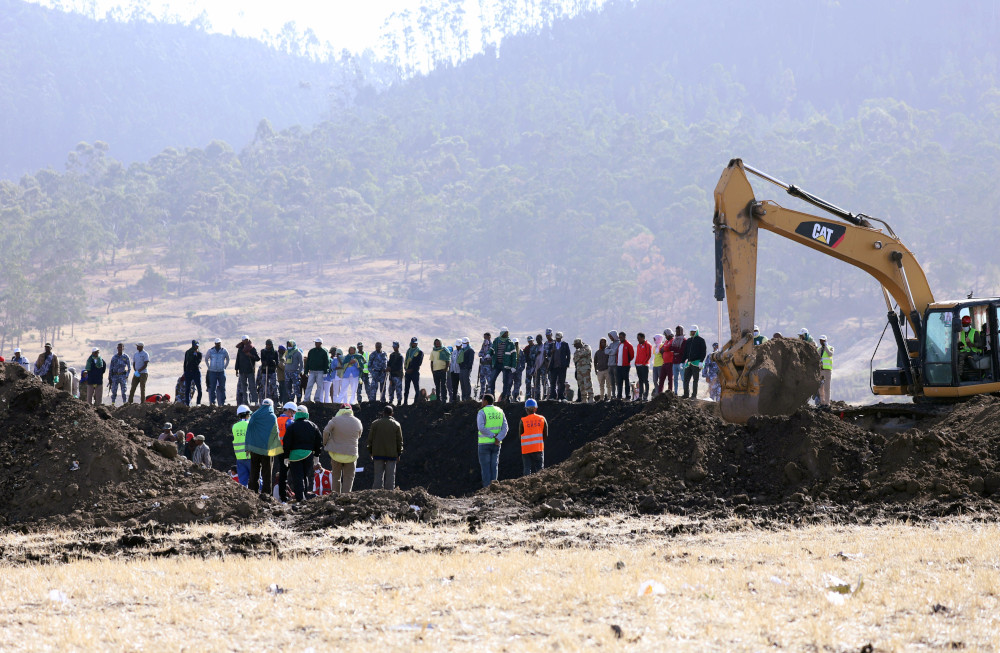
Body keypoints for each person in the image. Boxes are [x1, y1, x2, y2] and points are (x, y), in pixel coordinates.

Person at [282, 405, 323, 501]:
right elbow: (319, 441)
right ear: (306, 414)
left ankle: (300, 498)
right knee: (305, 475)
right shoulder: (313, 425)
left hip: (294, 456)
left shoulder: (292, 426)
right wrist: (317, 455)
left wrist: (286, 456)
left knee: (297, 477)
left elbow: (287, 442)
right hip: (308, 454)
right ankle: (304, 494)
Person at [323, 403, 363, 493]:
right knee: (348, 478)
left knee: (336, 477)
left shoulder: (334, 420)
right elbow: (359, 435)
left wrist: (325, 443)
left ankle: (335, 496)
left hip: (336, 454)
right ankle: (346, 497)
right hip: (351, 455)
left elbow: (326, 431)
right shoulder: (357, 421)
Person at [245, 399, 281, 497]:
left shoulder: (255, 415)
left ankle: (253, 492)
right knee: (267, 472)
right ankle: (266, 494)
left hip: (254, 449)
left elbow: (249, 431)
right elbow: (275, 432)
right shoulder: (272, 417)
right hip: (267, 450)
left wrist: (247, 446)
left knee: (254, 471)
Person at [368, 405, 403, 490]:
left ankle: (376, 495)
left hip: (377, 453)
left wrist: (370, 452)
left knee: (378, 475)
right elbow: (399, 441)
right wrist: (399, 453)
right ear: (392, 414)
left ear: (383, 413)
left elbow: (370, 439)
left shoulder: (375, 423)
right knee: (390, 476)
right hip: (392, 454)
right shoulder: (396, 425)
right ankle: (389, 495)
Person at [476, 394, 508, 487]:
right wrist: (498, 438)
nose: (481, 402)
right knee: (494, 466)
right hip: (496, 444)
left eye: (482, 400)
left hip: (484, 444)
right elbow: (505, 428)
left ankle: (487, 488)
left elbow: (481, 428)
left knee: (485, 467)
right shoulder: (500, 411)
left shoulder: (482, 412)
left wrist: (492, 435)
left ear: (486, 401)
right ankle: (494, 488)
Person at [274, 401, 298, 502]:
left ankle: (282, 497)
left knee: (283, 474)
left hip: (279, 450)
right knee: (296, 472)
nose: (293, 415)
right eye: (293, 412)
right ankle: (298, 496)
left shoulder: (276, 420)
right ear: (289, 411)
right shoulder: (289, 422)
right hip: (289, 451)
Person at [519, 398, 547, 475]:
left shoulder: (523, 421)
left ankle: (526, 485)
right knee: (540, 469)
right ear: (536, 409)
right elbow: (545, 434)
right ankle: (540, 485)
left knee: (527, 469)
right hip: (538, 448)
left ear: (526, 409)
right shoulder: (542, 419)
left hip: (526, 449)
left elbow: (520, 435)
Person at [682, 325, 707, 399]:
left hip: (696, 363)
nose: (692, 332)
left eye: (694, 331)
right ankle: (686, 394)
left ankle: (694, 395)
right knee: (686, 379)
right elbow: (685, 352)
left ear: (697, 331)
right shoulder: (688, 341)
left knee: (695, 380)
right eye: (691, 331)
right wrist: (682, 361)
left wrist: (701, 361)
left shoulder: (701, 340)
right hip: (689, 363)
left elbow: (703, 352)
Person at [235, 337, 260, 406]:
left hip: (250, 371)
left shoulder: (252, 348)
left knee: (252, 387)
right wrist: (236, 369)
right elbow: (238, 359)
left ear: (248, 340)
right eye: (243, 340)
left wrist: (251, 355)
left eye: (246, 340)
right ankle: (245, 402)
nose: (244, 341)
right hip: (242, 371)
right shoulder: (240, 349)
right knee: (243, 387)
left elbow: (257, 358)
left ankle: (255, 401)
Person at [205, 338, 230, 406]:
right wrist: (209, 367)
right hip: (212, 372)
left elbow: (228, 358)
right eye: (217, 343)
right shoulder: (210, 351)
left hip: (221, 371)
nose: (218, 344)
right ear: (215, 344)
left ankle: (223, 402)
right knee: (212, 387)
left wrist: (225, 367)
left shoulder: (224, 351)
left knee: (222, 387)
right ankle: (213, 402)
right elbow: (206, 359)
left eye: (219, 343)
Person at [304, 337, 330, 403]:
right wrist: (306, 371)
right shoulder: (311, 351)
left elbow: (326, 362)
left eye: (317, 343)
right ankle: (306, 399)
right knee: (309, 385)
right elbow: (308, 362)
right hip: (312, 371)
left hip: (320, 372)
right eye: (315, 342)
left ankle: (317, 399)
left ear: (321, 343)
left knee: (319, 386)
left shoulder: (324, 352)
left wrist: (325, 371)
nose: (316, 344)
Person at [231, 404, 251, 486]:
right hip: (250, 456)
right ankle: (258, 497)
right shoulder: (250, 424)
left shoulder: (234, 426)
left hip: (239, 457)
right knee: (256, 478)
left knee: (242, 481)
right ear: (247, 414)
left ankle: (244, 497)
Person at [182, 339, 203, 406]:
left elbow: (197, 362)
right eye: (195, 346)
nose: (197, 347)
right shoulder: (188, 352)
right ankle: (187, 403)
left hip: (196, 372)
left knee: (199, 388)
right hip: (188, 372)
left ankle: (198, 403)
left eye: (197, 346)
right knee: (187, 389)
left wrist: (195, 355)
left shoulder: (199, 354)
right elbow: (186, 362)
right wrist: (185, 372)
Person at [572, 338, 593, 403]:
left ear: (579, 343)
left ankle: (591, 397)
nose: (574, 346)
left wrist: (579, 355)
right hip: (579, 369)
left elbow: (585, 352)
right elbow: (574, 359)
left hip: (585, 368)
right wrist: (580, 355)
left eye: (575, 345)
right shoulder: (576, 351)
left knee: (587, 383)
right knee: (581, 384)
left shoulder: (587, 347)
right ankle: (584, 398)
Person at [404, 337, 423, 404]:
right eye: (412, 343)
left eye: (415, 343)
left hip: (414, 372)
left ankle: (415, 402)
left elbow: (419, 363)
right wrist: (405, 369)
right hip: (407, 372)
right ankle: (405, 402)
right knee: (406, 388)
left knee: (416, 388)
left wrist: (412, 369)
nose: (414, 344)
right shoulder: (408, 351)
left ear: (417, 343)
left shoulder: (419, 352)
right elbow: (406, 360)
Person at [284, 340, 304, 404]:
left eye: (290, 345)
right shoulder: (287, 352)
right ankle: (291, 399)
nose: (289, 346)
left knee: (296, 387)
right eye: (288, 345)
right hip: (287, 372)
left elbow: (301, 363)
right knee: (288, 387)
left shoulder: (298, 353)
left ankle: (298, 400)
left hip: (294, 372)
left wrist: (298, 372)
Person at [430, 338, 450, 402]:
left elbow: (448, 360)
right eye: (436, 343)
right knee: (437, 385)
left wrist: (446, 369)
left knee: (443, 385)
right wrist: (432, 370)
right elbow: (432, 361)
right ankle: (438, 398)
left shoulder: (444, 350)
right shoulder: (433, 351)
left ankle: (444, 398)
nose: (437, 344)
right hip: (435, 371)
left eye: (438, 343)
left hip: (442, 370)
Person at [616, 332, 635, 401]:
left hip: (625, 366)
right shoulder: (620, 344)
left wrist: (627, 361)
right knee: (619, 381)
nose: (620, 339)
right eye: (619, 337)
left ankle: (628, 395)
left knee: (626, 381)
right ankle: (619, 395)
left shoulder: (628, 345)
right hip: (619, 366)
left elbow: (632, 355)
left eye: (621, 337)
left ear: (624, 337)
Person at [818, 335, 835, 407]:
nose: (821, 341)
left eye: (823, 340)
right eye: (820, 340)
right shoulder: (819, 349)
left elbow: (830, 354)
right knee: (820, 387)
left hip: (827, 370)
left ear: (825, 341)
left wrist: (826, 347)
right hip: (820, 370)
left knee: (826, 387)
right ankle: (822, 402)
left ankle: (827, 403)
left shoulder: (830, 348)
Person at [635, 332, 652, 401]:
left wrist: (644, 363)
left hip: (644, 365)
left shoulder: (647, 345)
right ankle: (640, 396)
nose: (638, 340)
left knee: (645, 380)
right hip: (638, 365)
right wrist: (636, 362)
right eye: (637, 338)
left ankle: (645, 396)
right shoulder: (638, 345)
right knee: (640, 381)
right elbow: (637, 354)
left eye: (639, 338)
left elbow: (649, 355)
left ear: (643, 338)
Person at [670, 326, 686, 395]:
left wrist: (675, 349)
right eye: (676, 331)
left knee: (683, 378)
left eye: (679, 331)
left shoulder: (684, 340)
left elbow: (682, 350)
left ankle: (685, 392)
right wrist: (676, 348)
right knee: (675, 379)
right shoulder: (675, 340)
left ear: (682, 331)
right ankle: (675, 392)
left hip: (681, 362)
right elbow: (671, 348)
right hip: (675, 362)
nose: (677, 332)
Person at [477, 333, 493, 398]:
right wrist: (483, 355)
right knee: (482, 380)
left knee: (489, 380)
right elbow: (480, 353)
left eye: (486, 337)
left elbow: (491, 354)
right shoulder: (484, 345)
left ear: (489, 337)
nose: (485, 339)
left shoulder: (492, 345)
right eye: (484, 338)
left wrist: (486, 356)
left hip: (488, 365)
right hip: (483, 365)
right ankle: (482, 394)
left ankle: (490, 393)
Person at [531, 334, 547, 400]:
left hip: (543, 366)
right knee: (536, 382)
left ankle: (545, 395)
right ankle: (537, 396)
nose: (537, 341)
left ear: (541, 339)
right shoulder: (535, 347)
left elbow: (548, 355)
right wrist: (536, 354)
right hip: (537, 367)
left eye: (539, 339)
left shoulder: (545, 346)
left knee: (544, 381)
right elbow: (531, 356)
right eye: (536, 340)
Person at [604, 332, 619, 399]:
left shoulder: (618, 343)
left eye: (611, 336)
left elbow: (614, 352)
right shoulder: (611, 344)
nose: (610, 338)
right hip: (610, 365)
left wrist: (609, 351)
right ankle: (613, 395)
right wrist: (610, 351)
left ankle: (619, 394)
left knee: (617, 381)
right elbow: (605, 351)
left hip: (615, 365)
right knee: (612, 381)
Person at [651, 334, 664, 398]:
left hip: (660, 365)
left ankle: (660, 392)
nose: (654, 340)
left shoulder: (662, 346)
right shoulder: (654, 346)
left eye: (655, 339)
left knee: (660, 380)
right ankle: (657, 391)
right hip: (655, 365)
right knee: (654, 380)